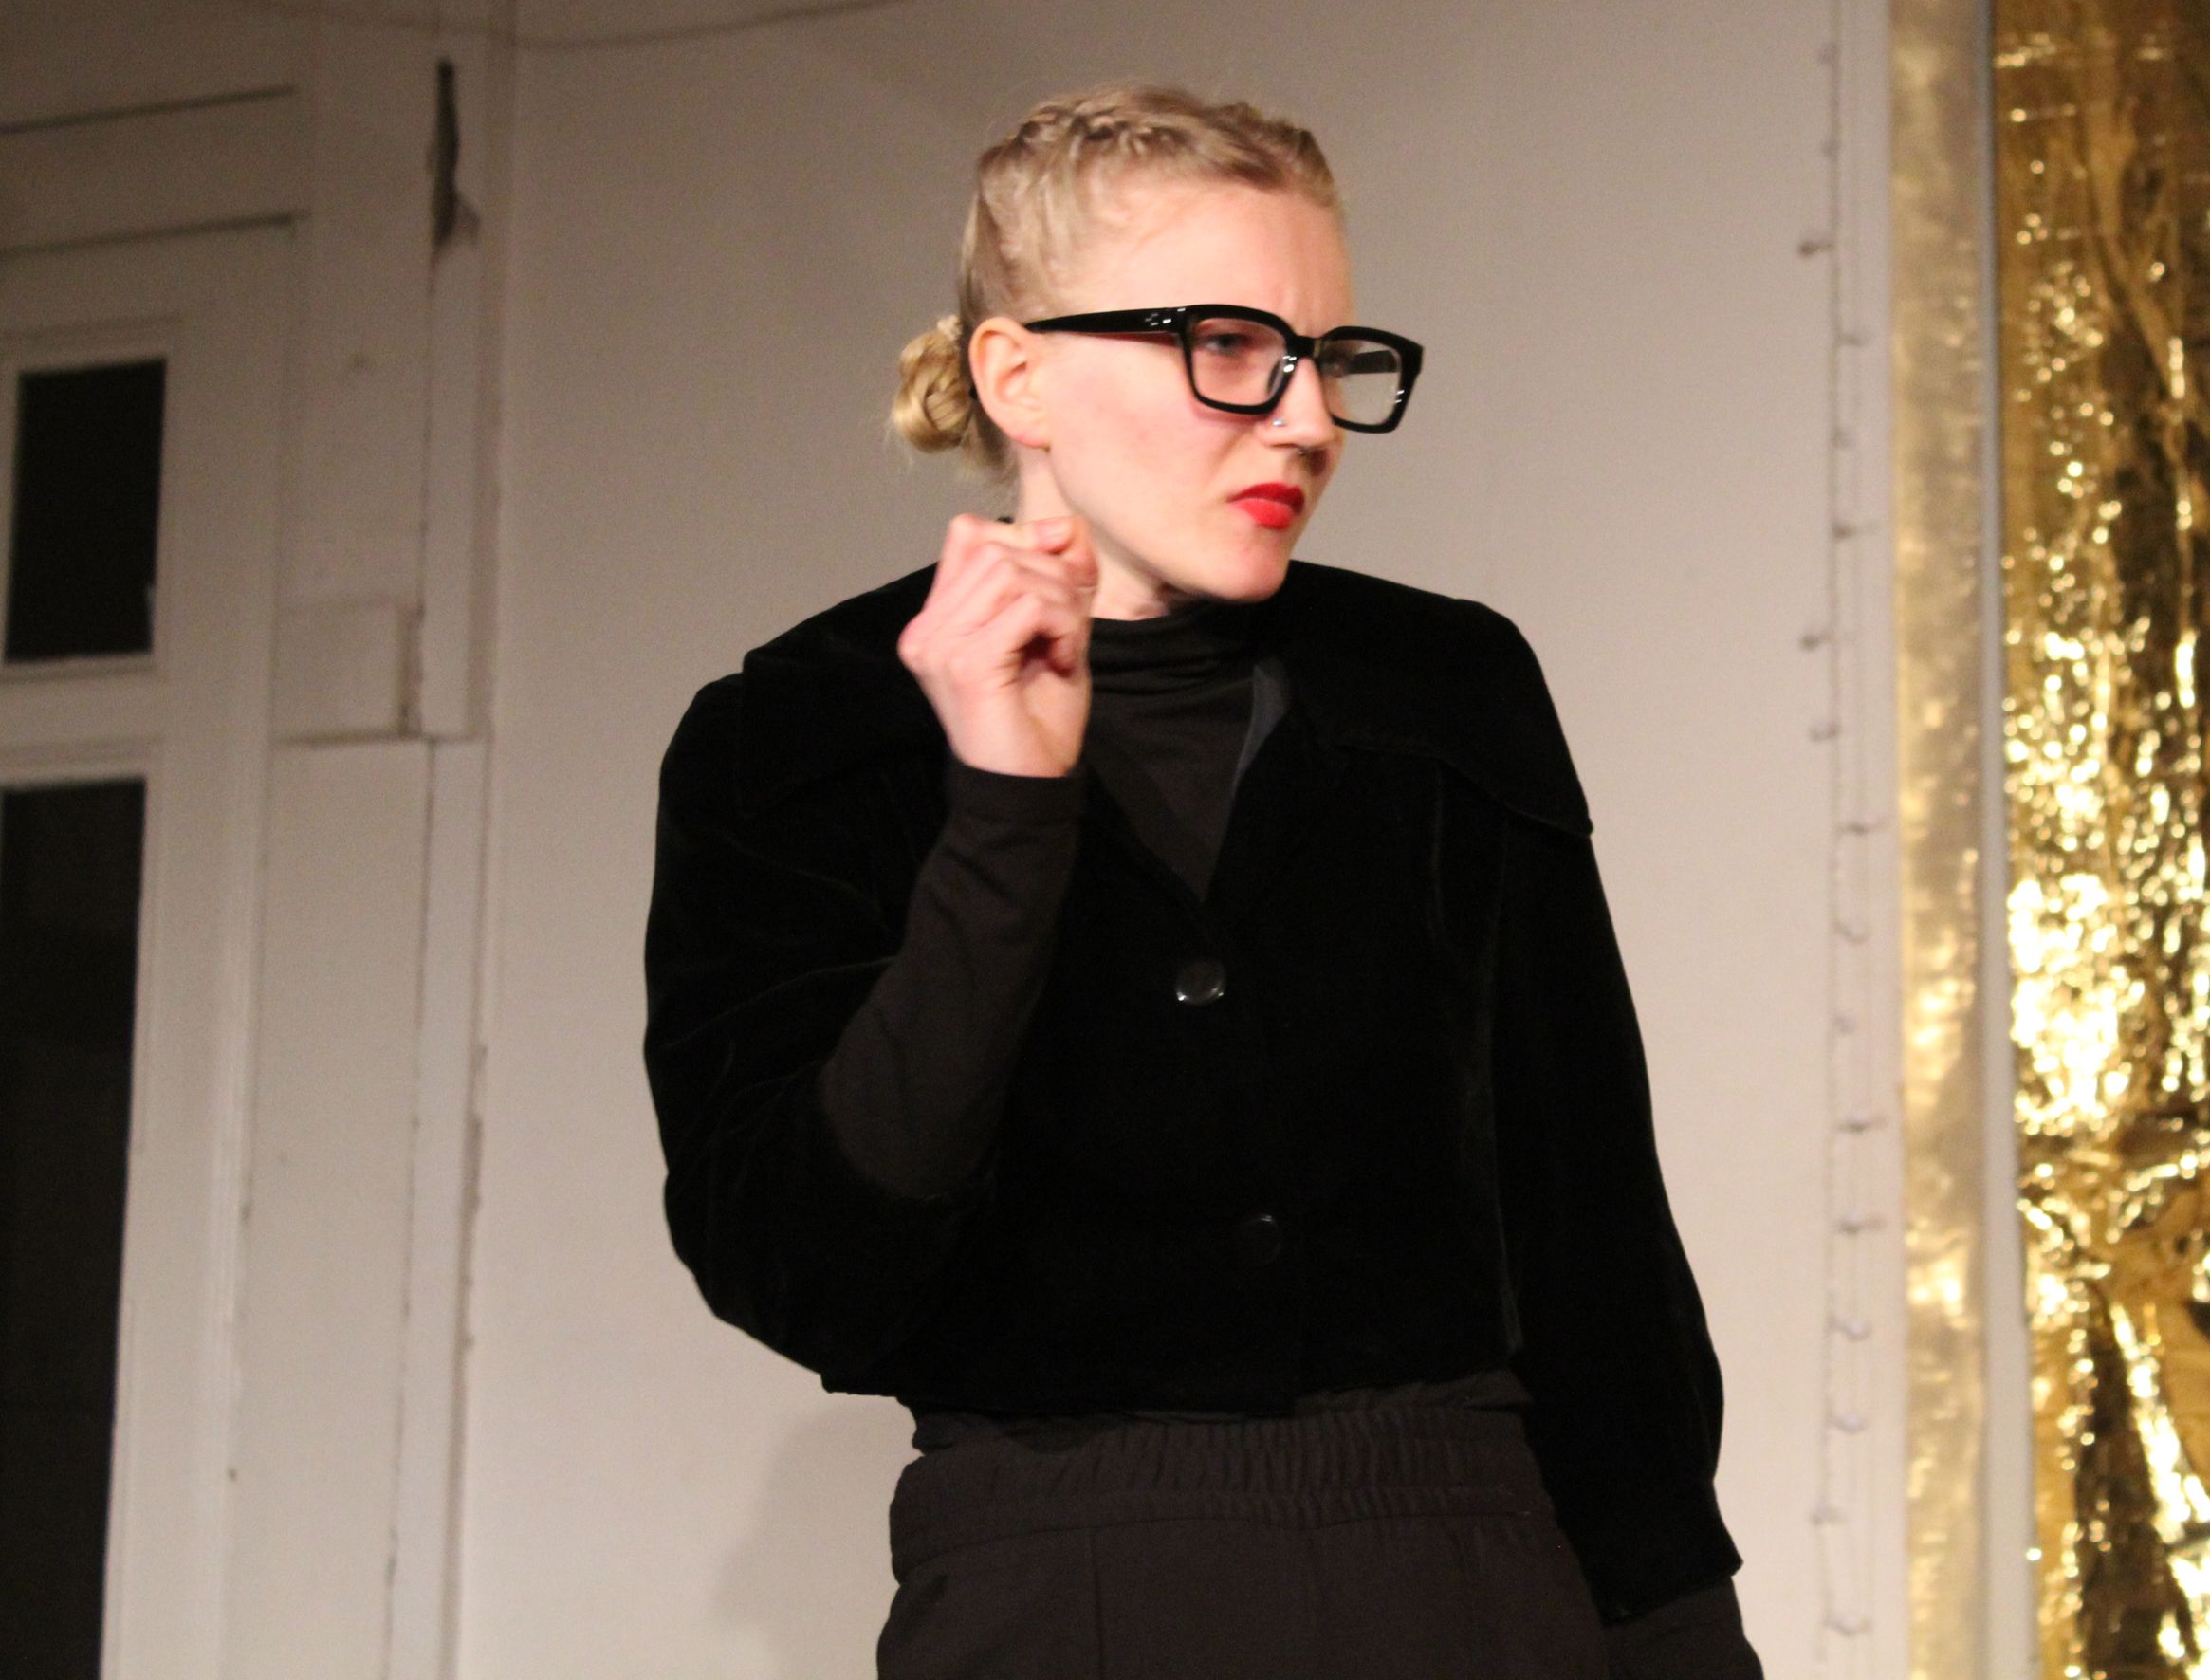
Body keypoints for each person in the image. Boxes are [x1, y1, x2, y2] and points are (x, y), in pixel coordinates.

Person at [641, 83, 1761, 1678]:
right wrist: (1006, 815)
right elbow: (808, 1267)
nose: (1306, 421)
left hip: (1478, 1575)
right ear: (1016, 374)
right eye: (1228, 347)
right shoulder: (803, 736)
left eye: (1329, 358)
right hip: (1059, 1597)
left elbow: (1597, 1240)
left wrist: (1685, 1641)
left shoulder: (1447, 692)